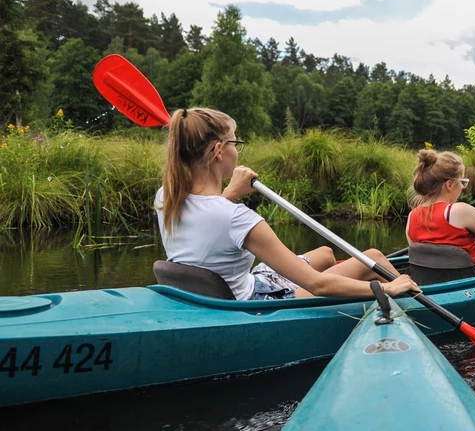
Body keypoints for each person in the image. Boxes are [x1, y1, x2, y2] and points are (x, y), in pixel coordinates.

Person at [154, 107, 418, 301]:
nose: (238, 150)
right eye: (236, 142)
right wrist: (387, 288)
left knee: (326, 253)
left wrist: (231, 191)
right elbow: (318, 286)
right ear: (218, 150)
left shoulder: (166, 196)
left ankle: (369, 281)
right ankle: (413, 298)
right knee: (372, 258)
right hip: (257, 302)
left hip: (241, 285)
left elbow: (209, 221)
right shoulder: (237, 218)